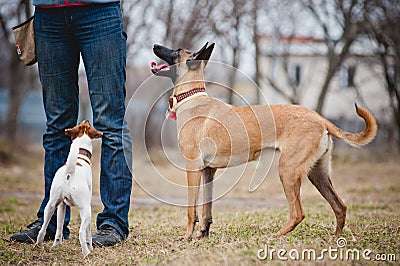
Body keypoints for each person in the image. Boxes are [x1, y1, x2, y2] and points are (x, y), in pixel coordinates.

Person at [10, 0, 133, 247]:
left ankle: (113, 223)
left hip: (100, 11)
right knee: (57, 125)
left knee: (110, 125)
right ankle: (51, 222)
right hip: (48, 15)